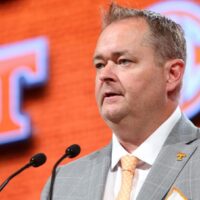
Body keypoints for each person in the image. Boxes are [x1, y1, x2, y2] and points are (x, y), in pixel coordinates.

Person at [41, 3, 200, 200]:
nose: (104, 75)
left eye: (123, 61)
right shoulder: (63, 184)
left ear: (172, 74)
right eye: (99, 65)